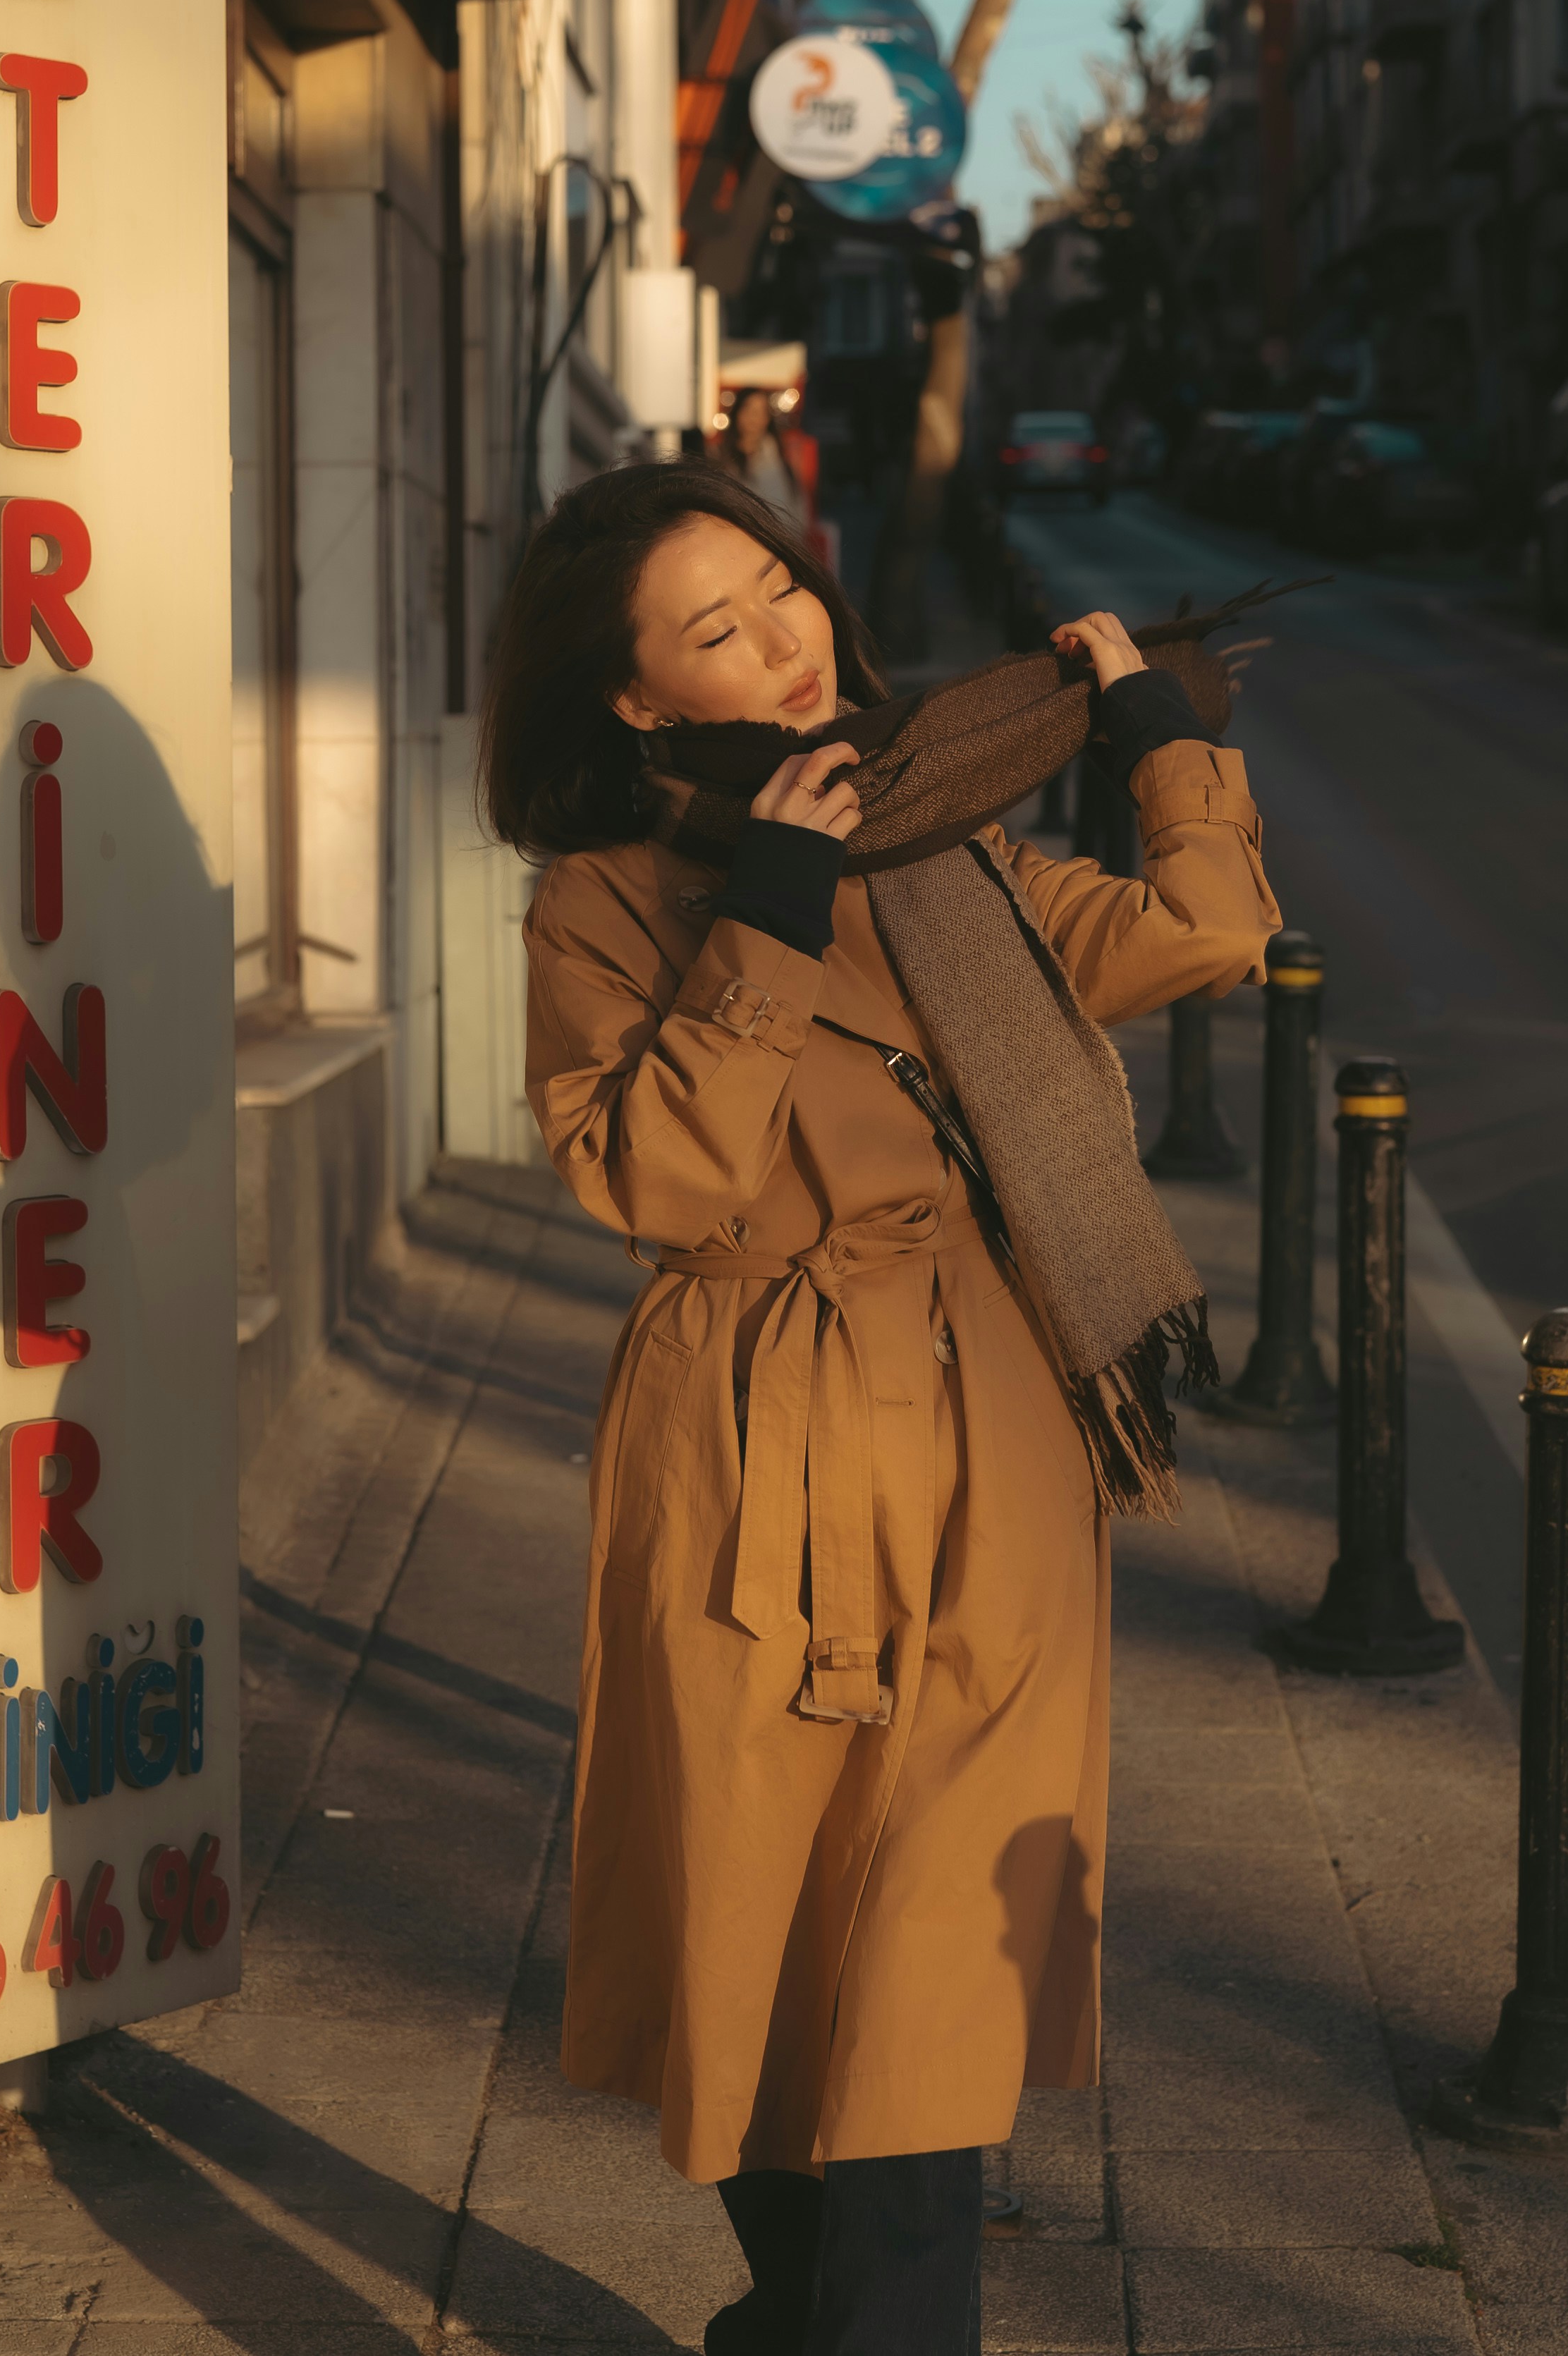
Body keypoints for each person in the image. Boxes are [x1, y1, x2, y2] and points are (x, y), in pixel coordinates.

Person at [481, 463, 1279, 2355]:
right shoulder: (602, 903)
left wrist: (1154, 731)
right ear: (637, 698)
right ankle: (794, 2311)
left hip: (994, 1441)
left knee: (926, 1977)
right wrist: (762, 911)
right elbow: (658, 1178)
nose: (779, 643)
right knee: (750, 1932)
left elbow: (1204, 934)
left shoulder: (953, 846)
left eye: (780, 592)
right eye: (715, 630)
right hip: (751, 1448)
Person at [719, 383, 809, 524]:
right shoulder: (720, 459)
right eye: (749, 409)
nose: (754, 417)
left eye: (761, 411)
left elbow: (797, 510)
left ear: (768, 419)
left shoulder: (778, 462)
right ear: (737, 413)